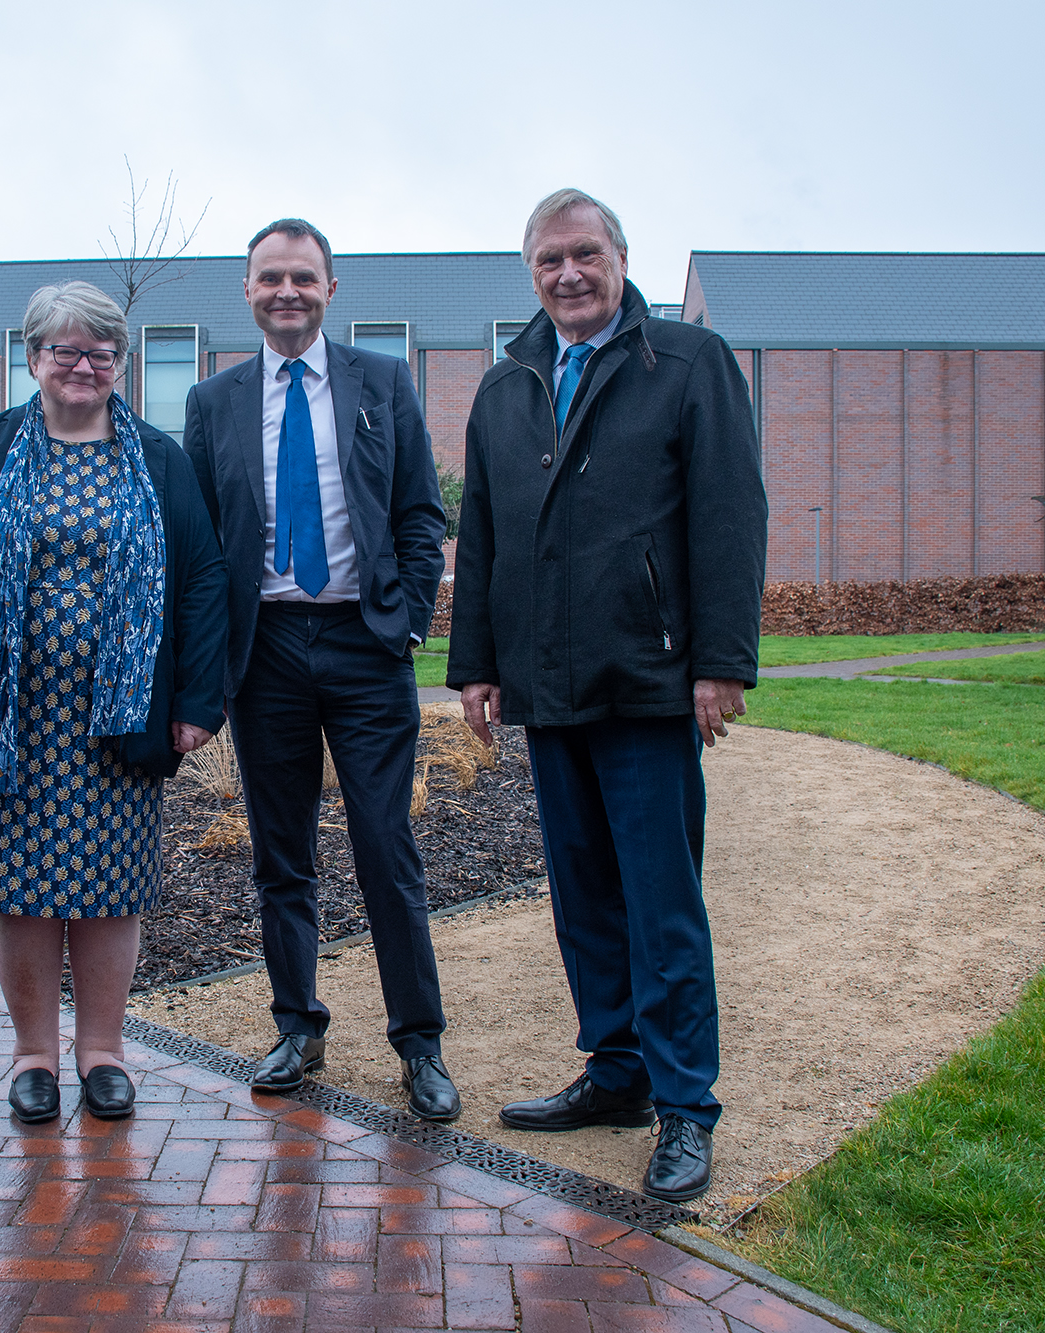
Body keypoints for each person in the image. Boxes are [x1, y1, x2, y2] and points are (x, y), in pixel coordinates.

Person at [447, 189, 767, 1202]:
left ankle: (685, 1107)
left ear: (620, 258)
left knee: (659, 902)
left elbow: (726, 514)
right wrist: (477, 662)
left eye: (584, 254)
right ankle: (617, 1074)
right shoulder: (506, 386)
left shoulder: (684, 365)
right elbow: (486, 536)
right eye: (548, 260)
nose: (567, 274)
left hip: (646, 679)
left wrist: (719, 661)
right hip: (548, 689)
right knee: (584, 897)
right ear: (529, 273)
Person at [0, 281, 226, 1125]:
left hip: (120, 721)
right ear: (34, 356)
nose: (84, 366)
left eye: (102, 352)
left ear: (121, 362)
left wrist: (197, 700)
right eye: (66, 350)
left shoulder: (156, 457)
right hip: (11, 720)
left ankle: (104, 1052)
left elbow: (202, 578)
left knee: (112, 885)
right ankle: (35, 1055)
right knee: (22, 887)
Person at [182, 219, 458, 1122]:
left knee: (387, 848)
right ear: (249, 291)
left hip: (365, 646)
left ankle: (420, 1043)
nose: (287, 291)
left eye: (304, 276)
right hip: (264, 654)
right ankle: (298, 1025)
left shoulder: (381, 380)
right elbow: (197, 545)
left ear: (331, 289)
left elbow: (422, 512)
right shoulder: (213, 402)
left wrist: (407, 622)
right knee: (281, 855)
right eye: (271, 278)